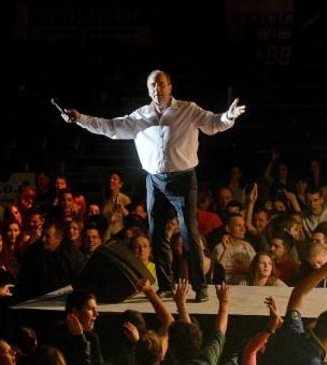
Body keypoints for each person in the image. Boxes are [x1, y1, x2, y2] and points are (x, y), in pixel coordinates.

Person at [62, 69, 246, 301]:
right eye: (152, 85)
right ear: (148, 90)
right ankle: (166, 284)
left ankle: (200, 286)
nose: (156, 89)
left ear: (170, 87)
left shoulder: (187, 109)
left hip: (183, 178)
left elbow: (213, 123)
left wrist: (228, 116)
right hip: (155, 180)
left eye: (161, 84)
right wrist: (80, 119)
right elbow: (109, 127)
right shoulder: (139, 116)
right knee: (156, 233)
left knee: (189, 233)